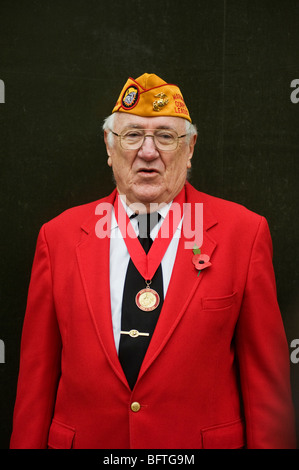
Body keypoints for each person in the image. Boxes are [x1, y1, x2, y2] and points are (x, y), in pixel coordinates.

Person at [10, 73, 296, 449]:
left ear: (190, 147)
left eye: (165, 136)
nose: (148, 151)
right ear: (110, 147)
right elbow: (36, 382)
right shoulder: (58, 238)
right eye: (131, 135)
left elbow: (265, 389)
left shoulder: (243, 234)